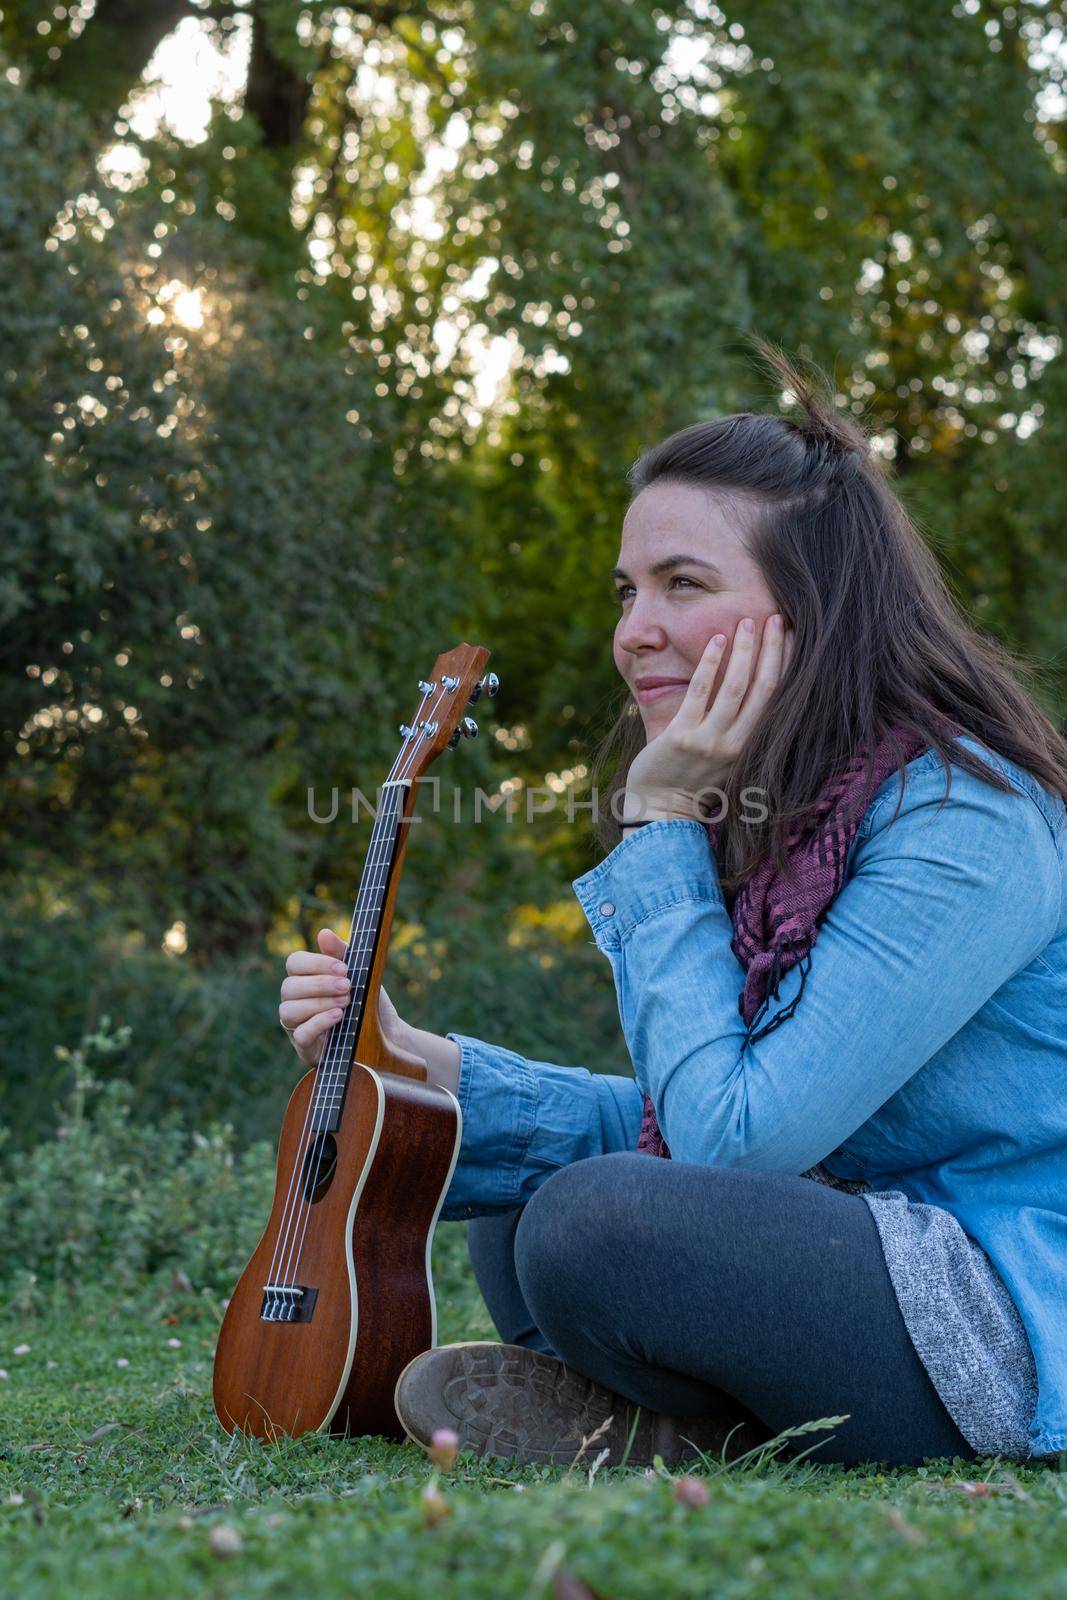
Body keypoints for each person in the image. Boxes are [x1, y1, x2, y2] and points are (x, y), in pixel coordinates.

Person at [280, 341, 1067, 1471]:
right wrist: (424, 1064)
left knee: (594, 1218)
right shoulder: (789, 812)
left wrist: (660, 832)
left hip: (991, 1300)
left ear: (812, 611)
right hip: (840, 1233)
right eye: (626, 590)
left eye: (682, 584)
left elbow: (734, 1146)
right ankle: (682, 1428)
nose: (631, 630)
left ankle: (671, 1424)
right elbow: (694, 1117)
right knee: (532, 1193)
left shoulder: (964, 821)